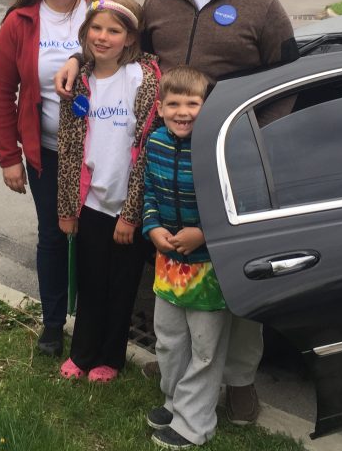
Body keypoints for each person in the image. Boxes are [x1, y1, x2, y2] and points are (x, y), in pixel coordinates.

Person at [57, 0, 298, 423]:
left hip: (228, 166)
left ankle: (239, 381)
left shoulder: (263, 6)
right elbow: (120, 43)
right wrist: (78, 57)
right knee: (174, 266)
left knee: (233, 272)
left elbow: (287, 84)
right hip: (163, 162)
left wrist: (255, 148)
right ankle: (179, 368)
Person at [0, 0, 93, 358]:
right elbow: (1, 93)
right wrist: (8, 157)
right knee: (52, 236)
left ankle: (93, 321)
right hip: (46, 153)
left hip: (100, 153)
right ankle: (52, 323)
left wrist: (79, 57)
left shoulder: (101, 10)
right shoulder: (20, 23)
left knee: (95, 238)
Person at [55, 0, 161, 383]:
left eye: (114, 31)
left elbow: (147, 149)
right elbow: (69, 149)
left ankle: (110, 357)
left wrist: (131, 214)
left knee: (122, 287)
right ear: (85, 33)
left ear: (130, 38)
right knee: (91, 282)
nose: (103, 37)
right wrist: (67, 209)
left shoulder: (142, 80)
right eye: (96, 28)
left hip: (127, 208)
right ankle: (82, 352)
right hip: (92, 205)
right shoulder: (77, 82)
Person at [142, 67, 226, 450]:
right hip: (169, 264)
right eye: (173, 103)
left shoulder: (216, 148)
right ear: (160, 108)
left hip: (210, 267)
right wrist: (152, 227)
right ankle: (175, 402)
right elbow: (148, 192)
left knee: (205, 349)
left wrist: (203, 234)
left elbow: (231, 202)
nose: (183, 112)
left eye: (193, 103)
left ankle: (195, 423)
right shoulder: (155, 143)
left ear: (206, 107)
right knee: (170, 339)